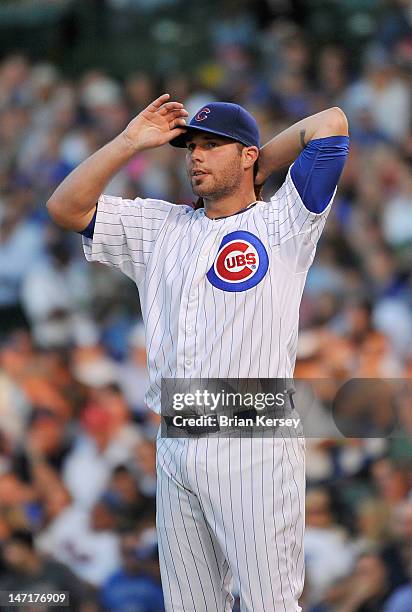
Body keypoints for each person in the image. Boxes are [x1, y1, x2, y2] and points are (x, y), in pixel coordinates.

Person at [47, 93, 349, 611]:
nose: (196, 156)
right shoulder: (162, 227)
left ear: (249, 154)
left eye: (212, 146)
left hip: (251, 431)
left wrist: (256, 168)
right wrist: (129, 141)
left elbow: (332, 123)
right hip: (176, 432)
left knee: (268, 604)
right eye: (191, 147)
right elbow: (65, 207)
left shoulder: (285, 223)